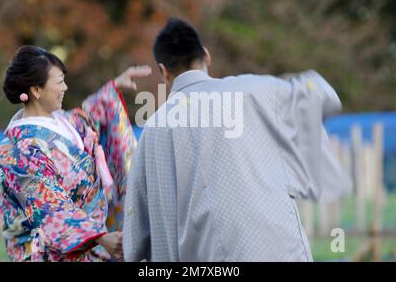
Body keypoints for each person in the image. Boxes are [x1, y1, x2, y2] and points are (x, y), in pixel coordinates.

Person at [123, 18, 352, 261]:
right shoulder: (253, 91)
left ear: (163, 71)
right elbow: (324, 95)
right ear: (206, 56)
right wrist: (283, 85)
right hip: (275, 251)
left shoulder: (153, 129)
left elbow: (136, 228)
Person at [0, 45, 151, 261]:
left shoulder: (62, 121)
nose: (65, 87)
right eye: (59, 82)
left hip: (90, 242)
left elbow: (90, 117)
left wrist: (113, 89)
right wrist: (99, 237)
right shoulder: (18, 151)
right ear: (36, 90)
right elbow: (50, 207)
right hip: (49, 253)